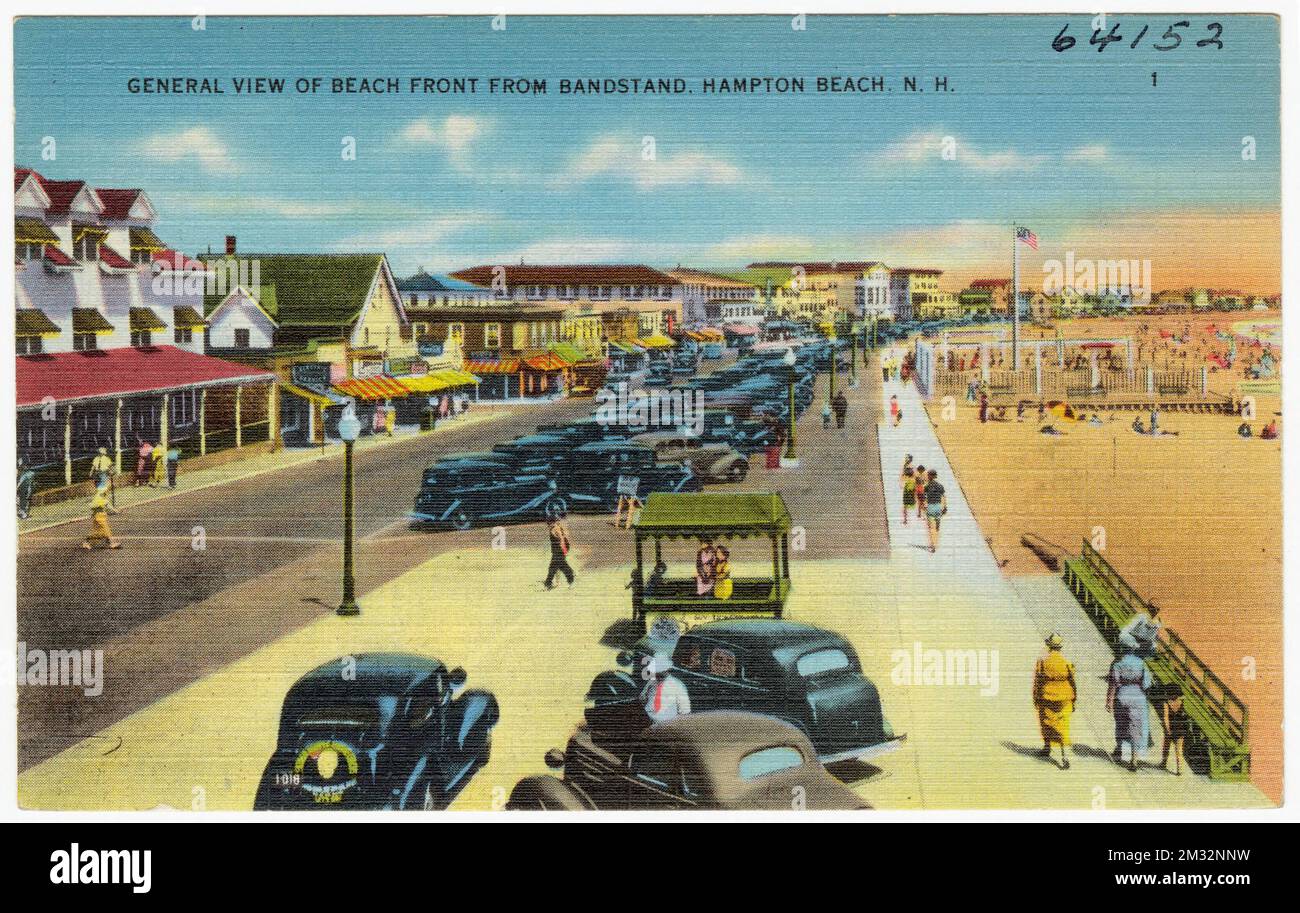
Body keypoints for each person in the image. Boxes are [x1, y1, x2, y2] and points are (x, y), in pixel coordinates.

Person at [1032, 634, 1077, 769]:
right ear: (1060, 646)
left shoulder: (1043, 660)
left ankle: (1047, 747)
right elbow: (1072, 681)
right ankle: (1064, 757)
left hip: (1047, 695)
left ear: (1049, 645)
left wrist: (1036, 697)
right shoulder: (1066, 661)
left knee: (1046, 722)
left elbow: (1038, 681)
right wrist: (1074, 698)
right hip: (1064, 697)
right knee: (1062, 726)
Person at [1106, 651, 1152, 771]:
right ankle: (1134, 760)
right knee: (1136, 728)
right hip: (1138, 698)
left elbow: (1113, 684)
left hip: (1121, 696)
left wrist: (1109, 701)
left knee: (1120, 724)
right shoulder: (1141, 663)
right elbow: (1146, 684)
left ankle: (1119, 749)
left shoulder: (1117, 663)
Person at [642, 651, 691, 724]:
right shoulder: (651, 682)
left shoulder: (678, 686)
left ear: (667, 670)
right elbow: (643, 699)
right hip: (648, 722)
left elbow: (685, 712)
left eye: (659, 672)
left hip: (666, 725)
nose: (656, 674)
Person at [544, 513, 575, 589]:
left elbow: (562, 540)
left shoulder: (555, 528)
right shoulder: (554, 528)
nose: (548, 525)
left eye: (549, 523)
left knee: (556, 567)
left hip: (559, 550)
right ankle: (552, 582)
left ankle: (548, 583)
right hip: (556, 550)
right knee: (559, 566)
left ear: (552, 522)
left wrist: (564, 551)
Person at [900, 455, 916, 526]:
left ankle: (905, 519)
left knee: (906, 504)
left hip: (908, 485)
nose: (906, 459)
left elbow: (902, 476)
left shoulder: (909, 466)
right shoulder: (908, 466)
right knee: (907, 504)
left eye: (907, 458)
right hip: (909, 485)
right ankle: (905, 519)